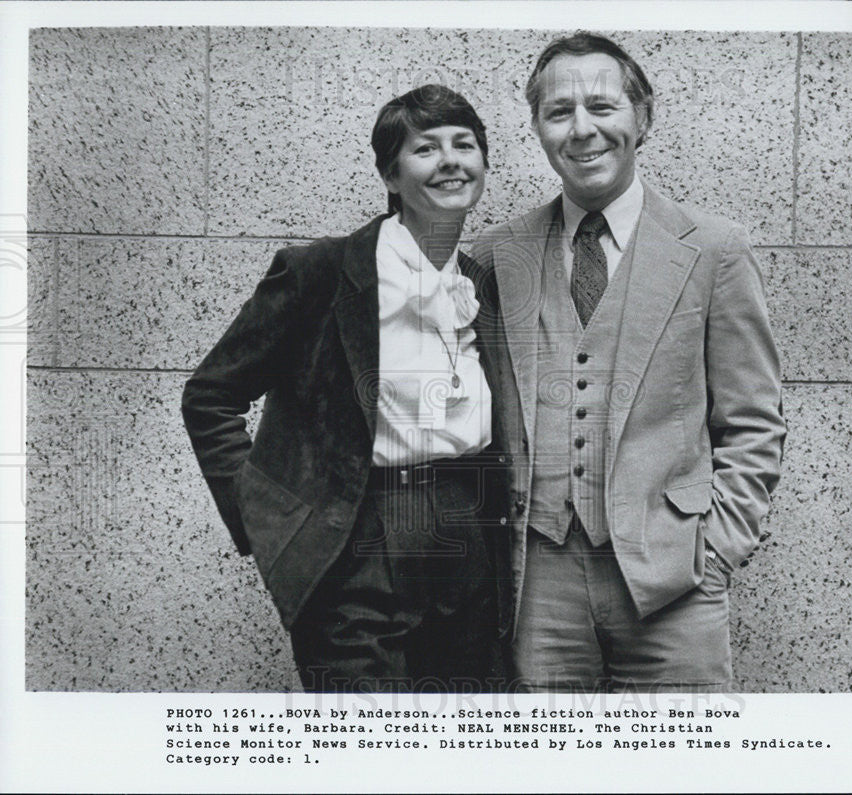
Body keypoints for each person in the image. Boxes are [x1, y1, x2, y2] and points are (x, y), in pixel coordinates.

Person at [472, 32, 786, 691]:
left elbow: (754, 420)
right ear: (537, 129)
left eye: (602, 106)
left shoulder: (713, 250)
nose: (581, 129)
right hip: (538, 586)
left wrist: (716, 551)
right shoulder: (499, 253)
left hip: (675, 579)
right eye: (559, 112)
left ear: (643, 117)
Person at [182, 85, 513, 693]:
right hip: (357, 535)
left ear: (484, 167)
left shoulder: (481, 285)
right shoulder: (320, 272)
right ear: (391, 174)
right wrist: (263, 515)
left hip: (464, 534)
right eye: (425, 148)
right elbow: (209, 395)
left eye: (465, 145)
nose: (451, 160)